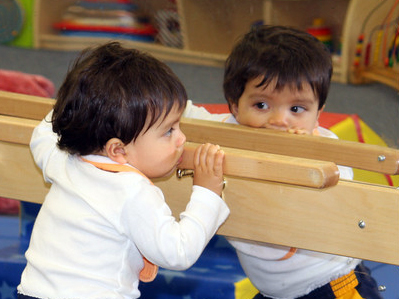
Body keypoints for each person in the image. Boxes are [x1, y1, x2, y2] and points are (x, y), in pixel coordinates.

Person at [17, 42, 230, 299]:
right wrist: (207, 192)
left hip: (32, 292)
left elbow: (42, 135)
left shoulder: (64, 160)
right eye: (169, 131)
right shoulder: (131, 190)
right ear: (118, 151)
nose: (182, 139)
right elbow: (177, 251)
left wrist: (81, 103)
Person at [183, 25, 382, 299]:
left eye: (297, 109)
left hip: (330, 285)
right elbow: (186, 116)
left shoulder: (325, 151)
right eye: (262, 105)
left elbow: (343, 203)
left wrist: (299, 159)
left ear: (318, 114)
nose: (279, 120)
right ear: (234, 105)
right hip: (275, 291)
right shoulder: (227, 131)